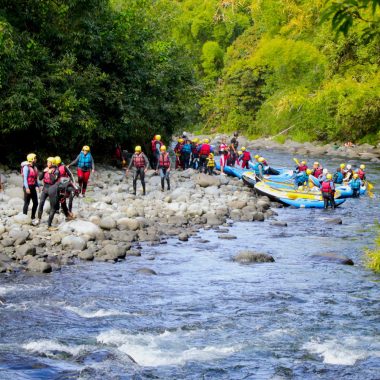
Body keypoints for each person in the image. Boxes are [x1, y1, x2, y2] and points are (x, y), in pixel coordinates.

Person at [37, 157, 59, 223]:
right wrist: (43, 172)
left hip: (52, 189)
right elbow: (40, 178)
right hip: (45, 188)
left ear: (53, 163)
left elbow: (53, 180)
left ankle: (49, 223)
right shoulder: (46, 169)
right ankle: (39, 219)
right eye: (47, 162)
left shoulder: (56, 171)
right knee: (41, 203)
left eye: (49, 162)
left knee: (52, 207)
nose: (47, 163)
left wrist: (50, 173)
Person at [22, 153, 40, 225]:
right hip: (27, 187)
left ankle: (32, 217)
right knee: (27, 203)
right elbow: (25, 179)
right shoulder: (26, 167)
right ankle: (24, 217)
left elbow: (35, 179)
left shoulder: (34, 168)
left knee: (35, 203)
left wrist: (38, 186)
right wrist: (27, 188)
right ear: (32, 159)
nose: (36, 159)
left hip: (32, 187)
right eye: (35, 158)